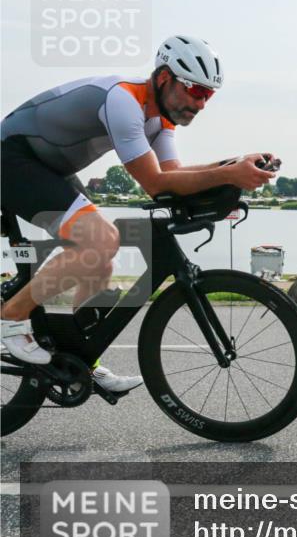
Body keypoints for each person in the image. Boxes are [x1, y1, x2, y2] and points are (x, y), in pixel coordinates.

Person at [1, 35, 275, 392]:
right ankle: (11, 317)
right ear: (164, 78)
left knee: (102, 260)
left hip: (47, 168)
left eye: (208, 96)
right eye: (196, 91)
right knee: (101, 241)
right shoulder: (123, 101)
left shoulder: (160, 121)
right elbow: (156, 184)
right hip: (11, 157)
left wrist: (235, 164)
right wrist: (227, 173)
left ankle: (81, 357)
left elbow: (175, 175)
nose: (201, 104)